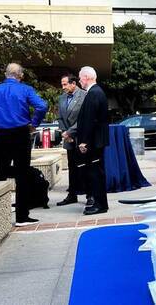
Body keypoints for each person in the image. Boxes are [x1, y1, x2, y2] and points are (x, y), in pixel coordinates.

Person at [0, 63, 48, 226]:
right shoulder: (25, 89)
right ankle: (21, 217)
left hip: (1, 134)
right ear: (20, 75)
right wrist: (34, 123)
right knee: (22, 174)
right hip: (21, 133)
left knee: (0, 174)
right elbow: (41, 106)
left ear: (6, 75)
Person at [76, 66, 109, 215]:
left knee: (96, 173)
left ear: (87, 77)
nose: (79, 81)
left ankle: (100, 205)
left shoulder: (94, 93)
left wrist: (84, 141)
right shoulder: (95, 92)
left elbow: (90, 120)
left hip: (94, 141)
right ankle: (98, 202)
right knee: (95, 172)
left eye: (80, 77)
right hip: (96, 140)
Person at [56, 74, 87, 206]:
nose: (63, 87)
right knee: (72, 167)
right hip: (68, 139)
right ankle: (72, 194)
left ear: (73, 83)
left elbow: (84, 118)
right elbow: (60, 118)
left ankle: (90, 194)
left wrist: (70, 132)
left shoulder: (84, 96)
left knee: (85, 167)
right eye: (62, 84)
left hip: (81, 137)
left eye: (65, 84)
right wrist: (65, 132)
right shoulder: (62, 98)